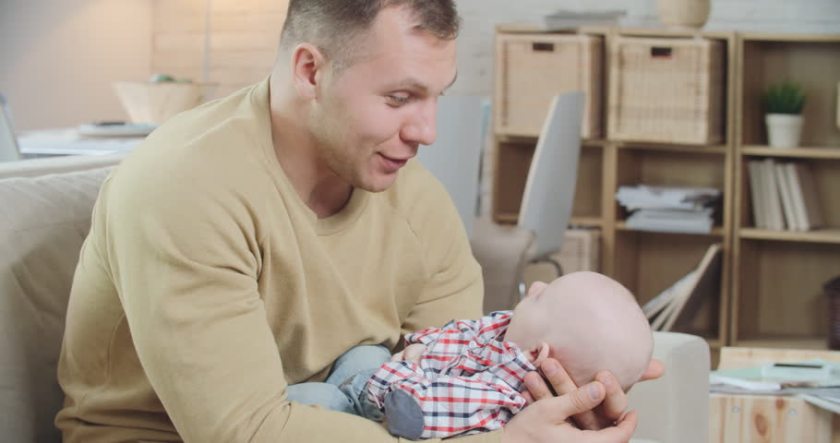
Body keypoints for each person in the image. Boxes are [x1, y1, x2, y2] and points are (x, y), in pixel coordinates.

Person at [55, 1, 662, 442]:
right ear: (310, 71)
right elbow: (245, 432)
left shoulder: (417, 203)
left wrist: (566, 396)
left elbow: (450, 393)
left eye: (435, 97)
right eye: (399, 98)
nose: (428, 131)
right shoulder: (185, 188)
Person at [288, 272, 652, 440]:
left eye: (543, 297)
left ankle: (336, 397)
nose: (536, 285)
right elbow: (458, 333)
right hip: (394, 373)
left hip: (392, 407)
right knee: (364, 352)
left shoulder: (501, 394)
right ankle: (349, 387)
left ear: (539, 353)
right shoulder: (500, 331)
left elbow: (424, 409)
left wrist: (407, 367)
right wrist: (420, 346)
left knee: (316, 400)